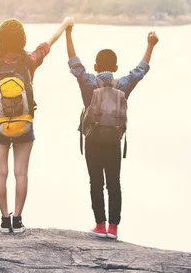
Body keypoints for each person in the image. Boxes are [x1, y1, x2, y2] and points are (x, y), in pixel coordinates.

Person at [0, 12, 74, 233]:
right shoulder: (30, 61)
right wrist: (66, 24)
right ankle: (17, 220)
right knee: (21, 173)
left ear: (0, 40)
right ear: (22, 40)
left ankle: (3, 219)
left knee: (0, 173)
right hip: (24, 125)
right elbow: (49, 42)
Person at [66, 23, 159, 239]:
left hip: (92, 139)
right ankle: (113, 229)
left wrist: (68, 33)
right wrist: (150, 45)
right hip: (113, 142)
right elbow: (141, 69)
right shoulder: (123, 84)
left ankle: (100, 225)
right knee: (114, 183)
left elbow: (74, 64)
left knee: (95, 182)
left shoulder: (89, 81)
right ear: (115, 68)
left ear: (96, 66)